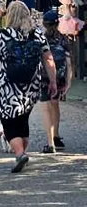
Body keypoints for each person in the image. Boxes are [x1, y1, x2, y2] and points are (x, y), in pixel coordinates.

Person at [0, 1, 59, 173]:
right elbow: (49, 59)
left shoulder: (1, 35)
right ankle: (22, 151)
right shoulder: (37, 35)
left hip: (7, 87)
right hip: (30, 86)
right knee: (22, 120)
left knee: (9, 123)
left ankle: (20, 153)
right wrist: (52, 81)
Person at [40, 10, 70, 153]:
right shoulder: (63, 39)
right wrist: (69, 81)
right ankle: (56, 134)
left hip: (45, 76)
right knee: (56, 105)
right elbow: (69, 61)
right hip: (60, 76)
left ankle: (50, 142)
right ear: (57, 23)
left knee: (46, 107)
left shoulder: (41, 38)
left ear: (44, 24)